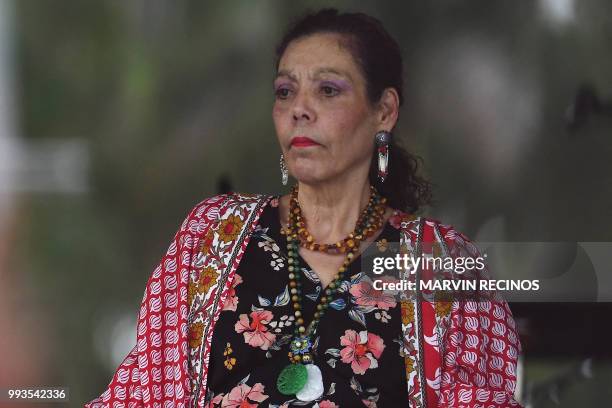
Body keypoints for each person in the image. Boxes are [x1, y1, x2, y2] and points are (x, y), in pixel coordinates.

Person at [85, 8, 522, 408]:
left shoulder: (440, 260)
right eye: (285, 91)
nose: (299, 110)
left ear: (384, 111)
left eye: (328, 90)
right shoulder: (212, 233)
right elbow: (143, 394)